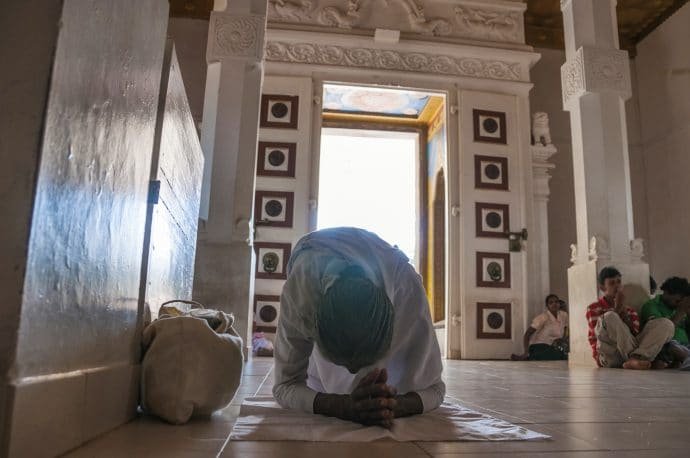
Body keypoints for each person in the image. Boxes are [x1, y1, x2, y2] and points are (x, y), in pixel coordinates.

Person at [272, 227, 445, 428]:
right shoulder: (302, 294)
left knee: (402, 383)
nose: (353, 370)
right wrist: (340, 406)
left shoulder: (406, 286)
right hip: (313, 291)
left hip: (397, 283)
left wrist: (393, 405)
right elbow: (284, 385)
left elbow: (435, 389)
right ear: (315, 327)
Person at [586, 266, 674, 369]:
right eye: (612, 283)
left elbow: (633, 337)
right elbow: (599, 335)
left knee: (666, 323)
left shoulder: (629, 310)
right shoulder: (593, 308)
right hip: (610, 356)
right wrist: (617, 309)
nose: (617, 286)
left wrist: (625, 314)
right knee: (609, 316)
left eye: (618, 282)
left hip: (631, 352)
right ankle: (641, 359)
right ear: (602, 288)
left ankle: (636, 358)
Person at [640, 277, 690, 370]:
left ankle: (684, 360)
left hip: (685, 345)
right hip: (667, 345)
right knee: (672, 346)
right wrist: (681, 311)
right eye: (677, 301)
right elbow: (662, 331)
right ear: (666, 292)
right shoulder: (652, 305)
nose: (678, 304)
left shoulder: (678, 307)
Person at [511, 294, 568, 361]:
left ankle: (531, 358)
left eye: (556, 302)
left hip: (553, 347)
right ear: (547, 306)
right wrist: (526, 352)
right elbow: (527, 334)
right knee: (558, 356)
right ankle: (528, 357)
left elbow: (566, 327)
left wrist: (562, 339)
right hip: (539, 346)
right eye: (551, 303)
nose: (554, 304)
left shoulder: (564, 315)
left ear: (559, 303)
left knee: (562, 354)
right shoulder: (543, 317)